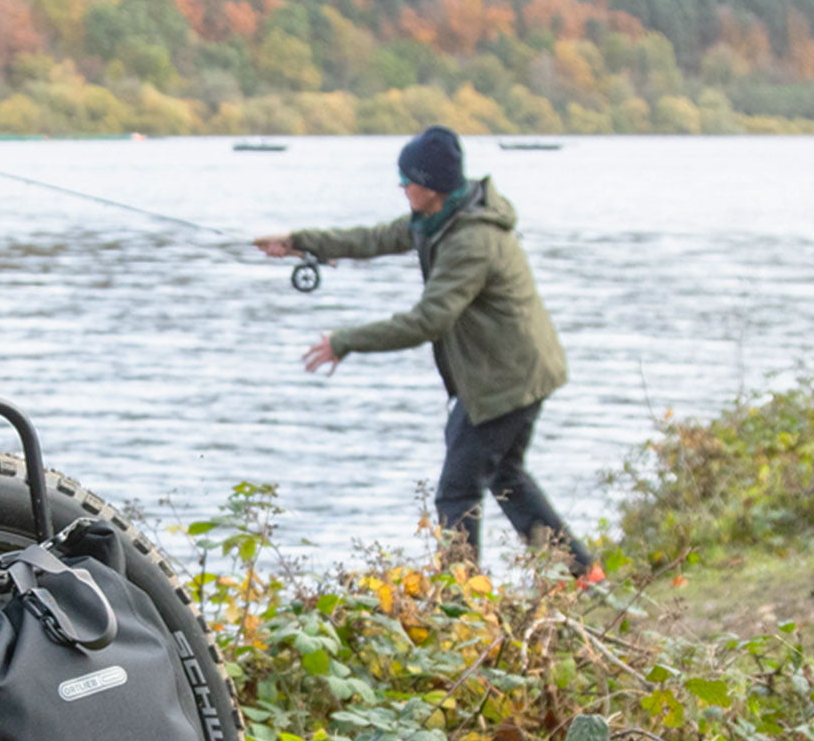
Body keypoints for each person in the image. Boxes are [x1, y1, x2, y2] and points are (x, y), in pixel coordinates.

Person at [254, 125, 601, 585]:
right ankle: (580, 573)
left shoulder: (470, 240)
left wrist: (343, 340)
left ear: (429, 186)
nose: (400, 187)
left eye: (406, 179)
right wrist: (300, 241)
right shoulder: (441, 218)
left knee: (456, 492)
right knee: (506, 476)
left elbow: (428, 321)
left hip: (506, 380)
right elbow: (374, 238)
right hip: (509, 372)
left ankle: (462, 603)